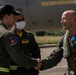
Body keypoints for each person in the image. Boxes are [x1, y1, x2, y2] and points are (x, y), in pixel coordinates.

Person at [0, 5, 41, 75]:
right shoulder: (6, 35)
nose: (14, 20)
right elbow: (18, 57)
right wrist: (35, 63)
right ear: (6, 17)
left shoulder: (29, 35)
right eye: (13, 17)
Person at [40, 10, 76, 75]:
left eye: (64, 19)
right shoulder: (65, 40)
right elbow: (55, 57)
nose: (61, 21)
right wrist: (40, 64)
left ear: (74, 19)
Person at [10, 11, 41, 75]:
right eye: (19, 20)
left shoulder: (29, 35)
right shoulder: (8, 36)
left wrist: (37, 66)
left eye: (23, 20)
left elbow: (36, 52)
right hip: (14, 72)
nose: (21, 22)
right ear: (13, 21)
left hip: (29, 71)